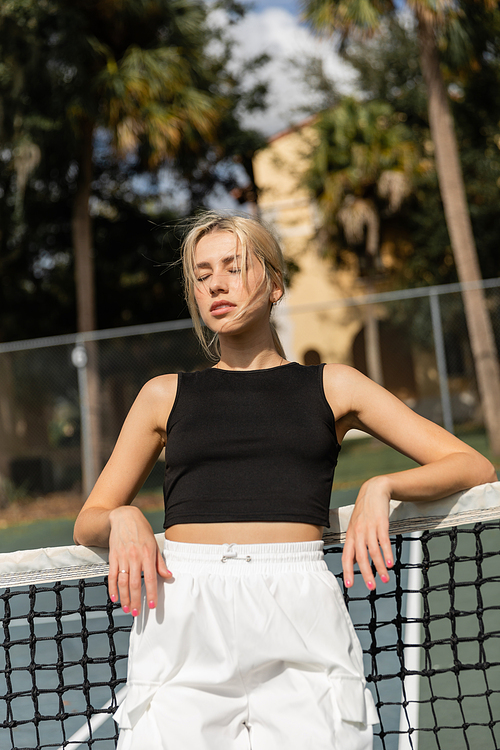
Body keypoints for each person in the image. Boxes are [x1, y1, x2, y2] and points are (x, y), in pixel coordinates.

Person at [73, 211, 496, 750]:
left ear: (274, 283)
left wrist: (381, 488)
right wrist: (124, 516)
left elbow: (472, 465)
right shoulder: (164, 394)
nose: (216, 285)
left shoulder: (334, 385)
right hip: (182, 613)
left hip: (298, 609)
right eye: (202, 276)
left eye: (233, 267)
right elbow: (90, 520)